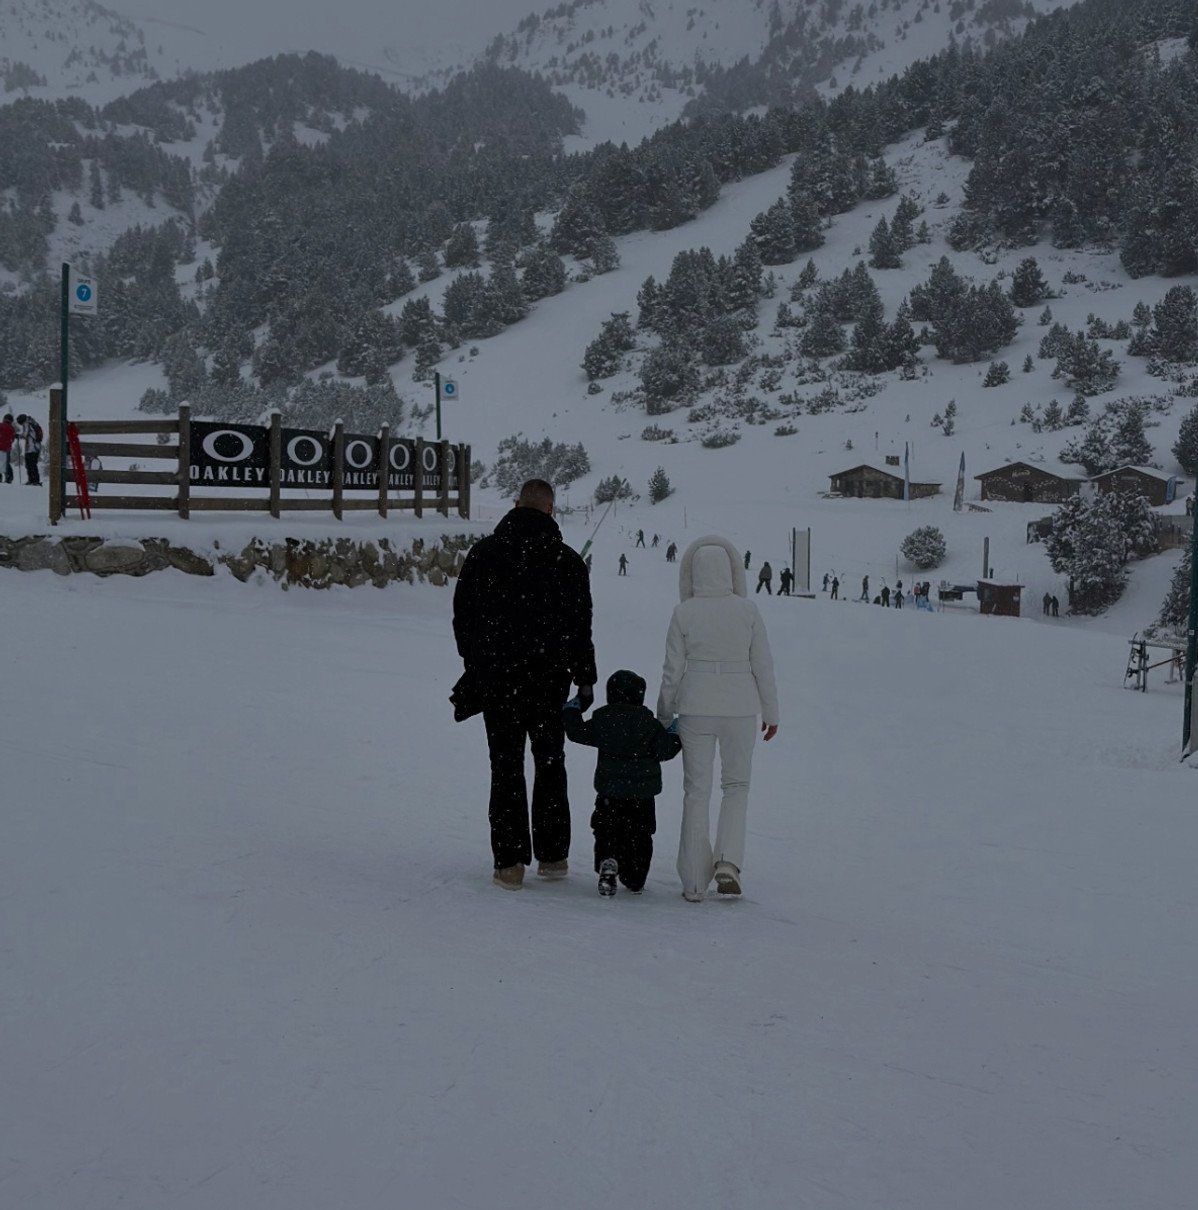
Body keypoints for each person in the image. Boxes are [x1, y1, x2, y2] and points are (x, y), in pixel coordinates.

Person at [452, 478, 597, 891]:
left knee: (505, 766)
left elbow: (463, 617)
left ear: (516, 505)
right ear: (551, 509)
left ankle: (510, 863)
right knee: (550, 763)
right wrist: (585, 679)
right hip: (549, 683)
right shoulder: (567, 561)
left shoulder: (484, 554)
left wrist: (477, 664)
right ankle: (552, 855)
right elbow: (579, 627)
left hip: (498, 681)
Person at [657, 535, 780, 902]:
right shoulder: (748, 611)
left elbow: (671, 670)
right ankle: (728, 861)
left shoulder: (684, 612)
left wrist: (664, 714)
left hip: (695, 707)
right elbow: (763, 665)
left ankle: (694, 880)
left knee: (696, 791)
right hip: (740, 708)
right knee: (736, 786)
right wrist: (771, 712)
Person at [564, 669, 682, 896]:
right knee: (641, 835)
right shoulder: (649, 724)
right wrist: (675, 733)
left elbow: (577, 732)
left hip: (609, 793)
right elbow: (666, 750)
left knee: (606, 829)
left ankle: (608, 860)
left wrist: (572, 710)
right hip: (642, 796)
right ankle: (635, 877)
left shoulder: (603, 720)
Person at [15, 414, 42, 486]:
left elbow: (25, 434)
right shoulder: (33, 422)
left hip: (31, 447)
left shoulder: (26, 424)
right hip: (37, 447)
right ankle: (35, 480)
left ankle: (32, 480)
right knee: (33, 464)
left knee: (29, 464)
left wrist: (18, 436)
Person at [0, 414, 14, 484]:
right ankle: (9, 477)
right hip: (7, 448)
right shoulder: (11, 428)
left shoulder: (1, 425)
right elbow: (12, 439)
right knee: (6, 463)